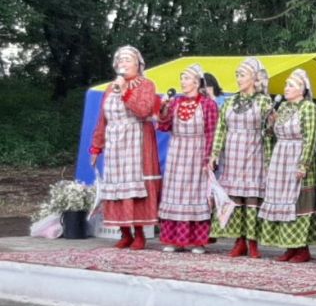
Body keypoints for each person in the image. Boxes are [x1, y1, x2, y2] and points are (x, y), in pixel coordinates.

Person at [90, 45, 161, 250]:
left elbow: (143, 110)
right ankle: (124, 233)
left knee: (136, 187)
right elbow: (103, 118)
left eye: (128, 60)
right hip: (115, 143)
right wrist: (96, 147)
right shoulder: (110, 88)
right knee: (116, 186)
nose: (123, 64)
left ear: (138, 64)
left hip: (136, 140)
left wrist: (125, 92)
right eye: (120, 61)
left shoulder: (146, 84)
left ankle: (140, 233)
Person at [209, 58, 272, 258]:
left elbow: (270, 130)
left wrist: (272, 122)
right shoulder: (229, 101)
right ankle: (239, 241)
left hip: (254, 151)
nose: (238, 79)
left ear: (254, 78)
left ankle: (253, 241)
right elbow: (221, 129)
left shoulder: (263, 100)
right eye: (237, 75)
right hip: (233, 153)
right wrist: (215, 153)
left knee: (251, 197)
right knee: (235, 197)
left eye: (242, 75)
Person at [258, 69, 316, 262]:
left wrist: (303, 164)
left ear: (303, 89)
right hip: (281, 157)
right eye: (286, 84)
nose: (286, 88)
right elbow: (269, 136)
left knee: (298, 202)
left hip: (298, 155)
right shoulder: (282, 107)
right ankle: (289, 246)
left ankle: (302, 248)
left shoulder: (309, 108)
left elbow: (311, 138)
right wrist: (269, 123)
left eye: (291, 85)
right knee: (282, 201)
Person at [157, 64, 219, 253]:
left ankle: (197, 241)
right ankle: (173, 239)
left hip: (197, 152)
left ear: (196, 81)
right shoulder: (175, 102)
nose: (182, 82)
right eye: (182, 78)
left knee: (196, 194)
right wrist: (164, 110)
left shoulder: (208, 104)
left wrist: (209, 157)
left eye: (186, 78)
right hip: (177, 152)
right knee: (174, 193)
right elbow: (164, 127)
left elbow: (212, 132)